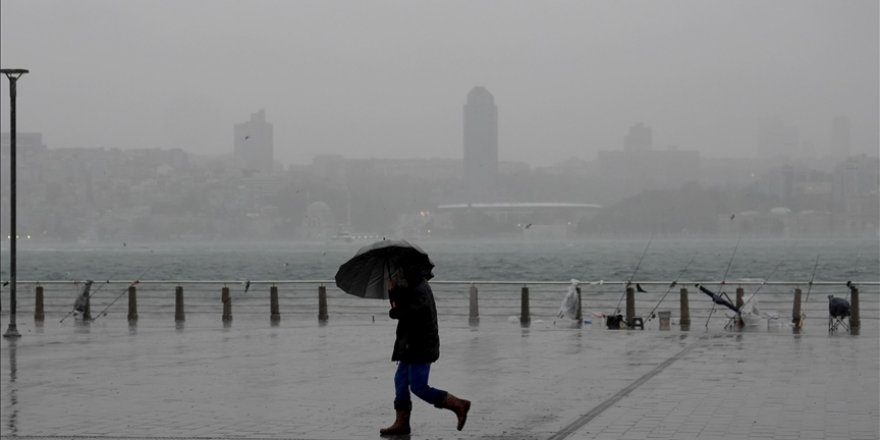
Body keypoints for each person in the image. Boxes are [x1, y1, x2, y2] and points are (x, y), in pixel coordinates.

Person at [379, 265, 471, 436]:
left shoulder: (419, 289)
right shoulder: (412, 286)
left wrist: (394, 299)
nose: (398, 275)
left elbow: (404, 312)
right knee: (400, 381)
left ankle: (458, 404)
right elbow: (400, 307)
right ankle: (402, 423)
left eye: (400, 272)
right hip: (409, 344)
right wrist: (393, 292)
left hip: (420, 345)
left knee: (418, 387)